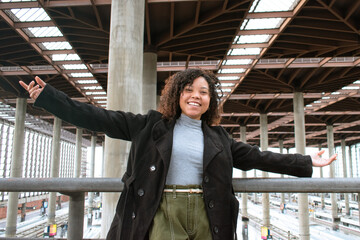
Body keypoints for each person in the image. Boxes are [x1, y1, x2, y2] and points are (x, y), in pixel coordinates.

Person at [19, 69, 336, 240]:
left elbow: (259, 157)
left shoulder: (218, 138)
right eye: (190, 90)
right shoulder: (150, 126)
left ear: (210, 101)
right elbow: (101, 119)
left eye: (204, 92)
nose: (196, 96)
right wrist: (49, 98)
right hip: (162, 211)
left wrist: (308, 161)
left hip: (206, 212)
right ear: (177, 94)